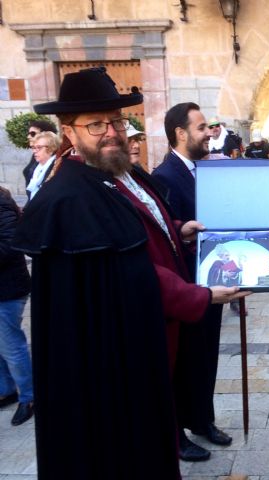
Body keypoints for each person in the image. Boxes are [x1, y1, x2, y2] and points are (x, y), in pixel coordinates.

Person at [12, 67, 247, 479]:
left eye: (117, 121)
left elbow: (136, 234)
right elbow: (127, 272)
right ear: (69, 132)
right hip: (115, 352)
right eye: (97, 124)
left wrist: (179, 230)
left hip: (154, 330)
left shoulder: (125, 171)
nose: (112, 132)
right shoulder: (71, 196)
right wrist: (202, 296)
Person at [153, 102, 234, 461]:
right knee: (182, 362)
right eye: (202, 127)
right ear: (181, 134)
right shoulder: (164, 176)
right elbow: (165, 239)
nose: (209, 132)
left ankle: (203, 420)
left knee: (205, 356)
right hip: (185, 287)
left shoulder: (203, 168)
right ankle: (178, 434)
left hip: (210, 282)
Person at [0, 187, 33, 426]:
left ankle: (29, 397)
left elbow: (11, 244)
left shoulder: (2, 204)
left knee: (12, 346)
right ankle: (6, 389)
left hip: (7, 288)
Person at [22, 119, 58, 188]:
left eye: (33, 134)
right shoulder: (36, 154)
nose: (28, 137)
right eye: (28, 133)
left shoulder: (56, 158)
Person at [25, 131, 60, 201]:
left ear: (51, 148)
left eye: (39, 147)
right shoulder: (35, 166)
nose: (34, 151)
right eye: (33, 147)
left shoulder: (57, 167)